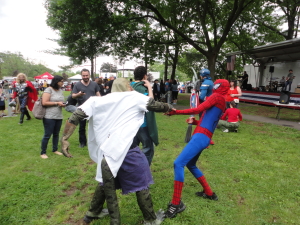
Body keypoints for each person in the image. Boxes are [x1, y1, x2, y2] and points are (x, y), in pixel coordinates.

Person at [60, 78, 173, 225]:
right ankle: (151, 219)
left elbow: (75, 116)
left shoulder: (97, 101)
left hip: (107, 151)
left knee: (106, 180)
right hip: (129, 150)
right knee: (141, 181)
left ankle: (92, 213)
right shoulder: (134, 97)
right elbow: (158, 106)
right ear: (127, 87)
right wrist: (171, 108)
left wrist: (64, 139)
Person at [164, 79, 230, 219]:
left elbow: (198, 109)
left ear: (218, 86)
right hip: (204, 136)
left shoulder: (216, 97)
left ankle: (176, 204)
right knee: (191, 164)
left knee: (178, 163)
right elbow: (209, 122)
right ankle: (209, 193)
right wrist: (195, 122)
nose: (212, 86)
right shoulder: (222, 100)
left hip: (200, 137)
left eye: (215, 84)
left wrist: (175, 112)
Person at [132, 66, 158, 165]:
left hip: (131, 123)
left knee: (132, 149)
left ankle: (131, 170)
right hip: (142, 124)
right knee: (148, 149)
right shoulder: (142, 88)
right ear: (144, 76)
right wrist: (150, 88)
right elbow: (150, 103)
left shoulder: (130, 87)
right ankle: (143, 173)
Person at [72, 68, 100, 148]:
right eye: (83, 75)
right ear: (81, 75)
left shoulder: (94, 84)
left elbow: (98, 94)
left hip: (93, 109)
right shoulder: (77, 85)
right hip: (82, 109)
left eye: (86, 75)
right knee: (82, 127)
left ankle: (96, 142)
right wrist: (79, 94)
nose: (85, 77)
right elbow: (73, 96)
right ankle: (82, 142)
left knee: (95, 126)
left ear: (89, 75)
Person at [40, 76, 65, 159]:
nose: (62, 83)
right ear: (56, 81)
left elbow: (60, 101)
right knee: (47, 134)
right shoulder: (49, 90)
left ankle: (55, 150)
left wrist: (63, 104)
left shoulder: (60, 91)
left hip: (59, 116)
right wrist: (57, 103)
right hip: (49, 116)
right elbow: (44, 102)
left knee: (56, 134)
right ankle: (43, 152)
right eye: (61, 81)